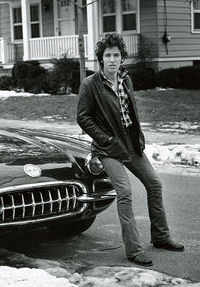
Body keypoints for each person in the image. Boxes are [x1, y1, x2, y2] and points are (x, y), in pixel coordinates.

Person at [77, 33, 184, 267]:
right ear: (101, 59)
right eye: (108, 55)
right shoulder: (91, 84)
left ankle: (161, 237)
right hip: (108, 147)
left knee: (154, 184)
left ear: (122, 58)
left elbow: (131, 112)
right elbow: (83, 117)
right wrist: (105, 139)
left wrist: (139, 136)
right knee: (125, 193)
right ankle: (134, 250)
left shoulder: (126, 79)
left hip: (131, 144)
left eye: (116, 55)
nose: (113, 59)